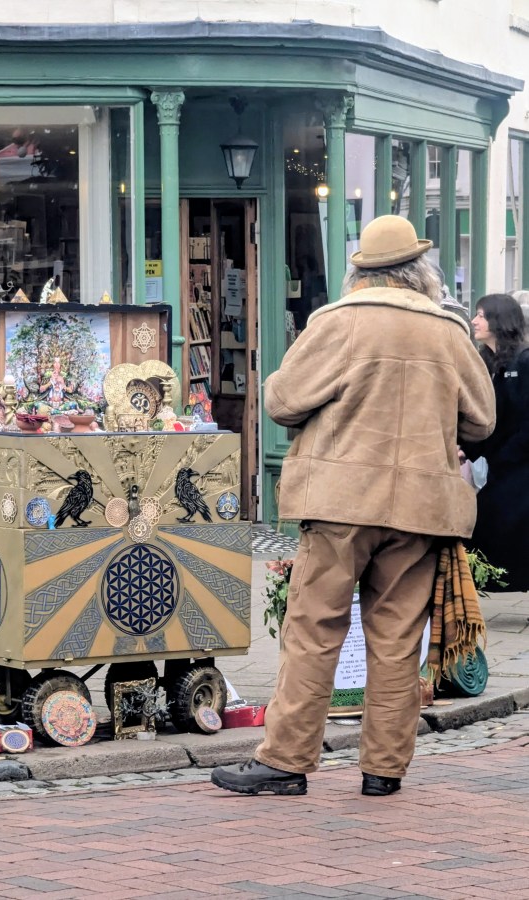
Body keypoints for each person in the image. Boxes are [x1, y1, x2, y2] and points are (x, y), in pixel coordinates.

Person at [211, 215, 495, 798]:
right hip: (421, 505)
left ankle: (287, 762)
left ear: (361, 268)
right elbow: (482, 419)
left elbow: (284, 401)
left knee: (314, 629)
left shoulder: (339, 321)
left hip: (339, 500)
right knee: (396, 641)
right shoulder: (449, 329)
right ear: (420, 271)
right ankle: (383, 770)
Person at [461, 293, 529, 591]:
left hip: (520, 465)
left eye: (481, 315)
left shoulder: (524, 362)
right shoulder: (486, 363)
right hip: (503, 463)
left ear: (499, 320)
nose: (475, 321)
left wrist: (505, 455)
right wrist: (467, 448)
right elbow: (487, 419)